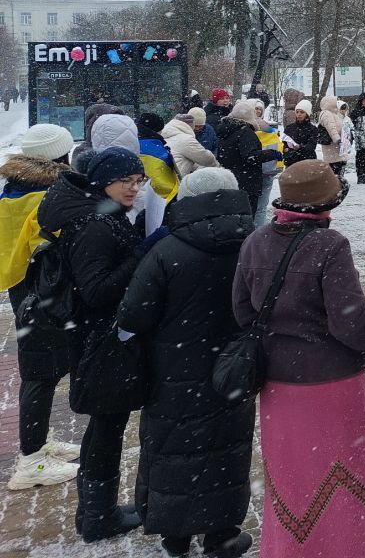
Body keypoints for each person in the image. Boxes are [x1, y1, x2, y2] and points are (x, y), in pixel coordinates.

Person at [233, 161, 365, 558]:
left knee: (291, 474)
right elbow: (351, 321)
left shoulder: (255, 240)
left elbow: (242, 311)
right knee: (344, 468)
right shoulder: (330, 245)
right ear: (327, 203)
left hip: (277, 383)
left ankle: (291, 549)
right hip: (332, 382)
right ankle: (352, 548)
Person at [118, 168, 256, 558]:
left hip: (172, 371)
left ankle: (174, 535)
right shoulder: (253, 244)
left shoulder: (167, 250)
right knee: (226, 449)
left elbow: (133, 315)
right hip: (231, 369)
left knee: (171, 450)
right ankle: (222, 536)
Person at [38, 147, 148, 542]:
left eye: (139, 181)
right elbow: (97, 290)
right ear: (104, 183)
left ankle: (95, 514)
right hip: (98, 340)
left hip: (99, 337)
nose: (135, 189)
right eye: (127, 182)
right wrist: (140, 257)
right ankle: (98, 517)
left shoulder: (104, 215)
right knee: (106, 426)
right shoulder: (95, 225)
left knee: (107, 425)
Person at [3, 124, 79, 491]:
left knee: (40, 368)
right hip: (43, 290)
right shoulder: (49, 195)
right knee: (41, 373)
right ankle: (30, 461)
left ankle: (40, 440)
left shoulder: (11, 191)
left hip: (20, 286)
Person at [218, 100, 282, 216]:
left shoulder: (226, 130)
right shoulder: (245, 132)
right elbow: (250, 156)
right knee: (247, 217)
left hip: (230, 179)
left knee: (234, 217)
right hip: (247, 181)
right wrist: (272, 153)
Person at [254, 102, 285, 228]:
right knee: (259, 206)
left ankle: (256, 231)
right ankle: (257, 231)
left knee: (260, 206)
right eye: (255, 108)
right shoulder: (263, 129)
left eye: (260, 109)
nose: (257, 111)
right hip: (261, 170)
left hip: (266, 170)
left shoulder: (268, 129)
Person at [160, 114, 217, 178]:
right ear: (190, 127)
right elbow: (207, 159)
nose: (197, 129)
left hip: (161, 178)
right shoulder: (186, 139)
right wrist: (219, 169)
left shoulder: (163, 135)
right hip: (174, 181)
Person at [282, 100, 320, 168]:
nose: (299, 114)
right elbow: (284, 144)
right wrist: (286, 150)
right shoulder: (289, 128)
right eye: (297, 112)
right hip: (291, 162)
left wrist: (299, 147)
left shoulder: (313, 129)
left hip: (307, 162)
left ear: (307, 114)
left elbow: (311, 147)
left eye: (302, 112)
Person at [318, 95, 347, 178]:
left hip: (336, 146)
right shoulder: (327, 114)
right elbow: (331, 128)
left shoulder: (333, 113)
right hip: (333, 146)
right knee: (335, 167)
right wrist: (337, 140)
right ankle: (337, 185)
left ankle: (338, 183)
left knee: (338, 166)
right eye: (335, 101)